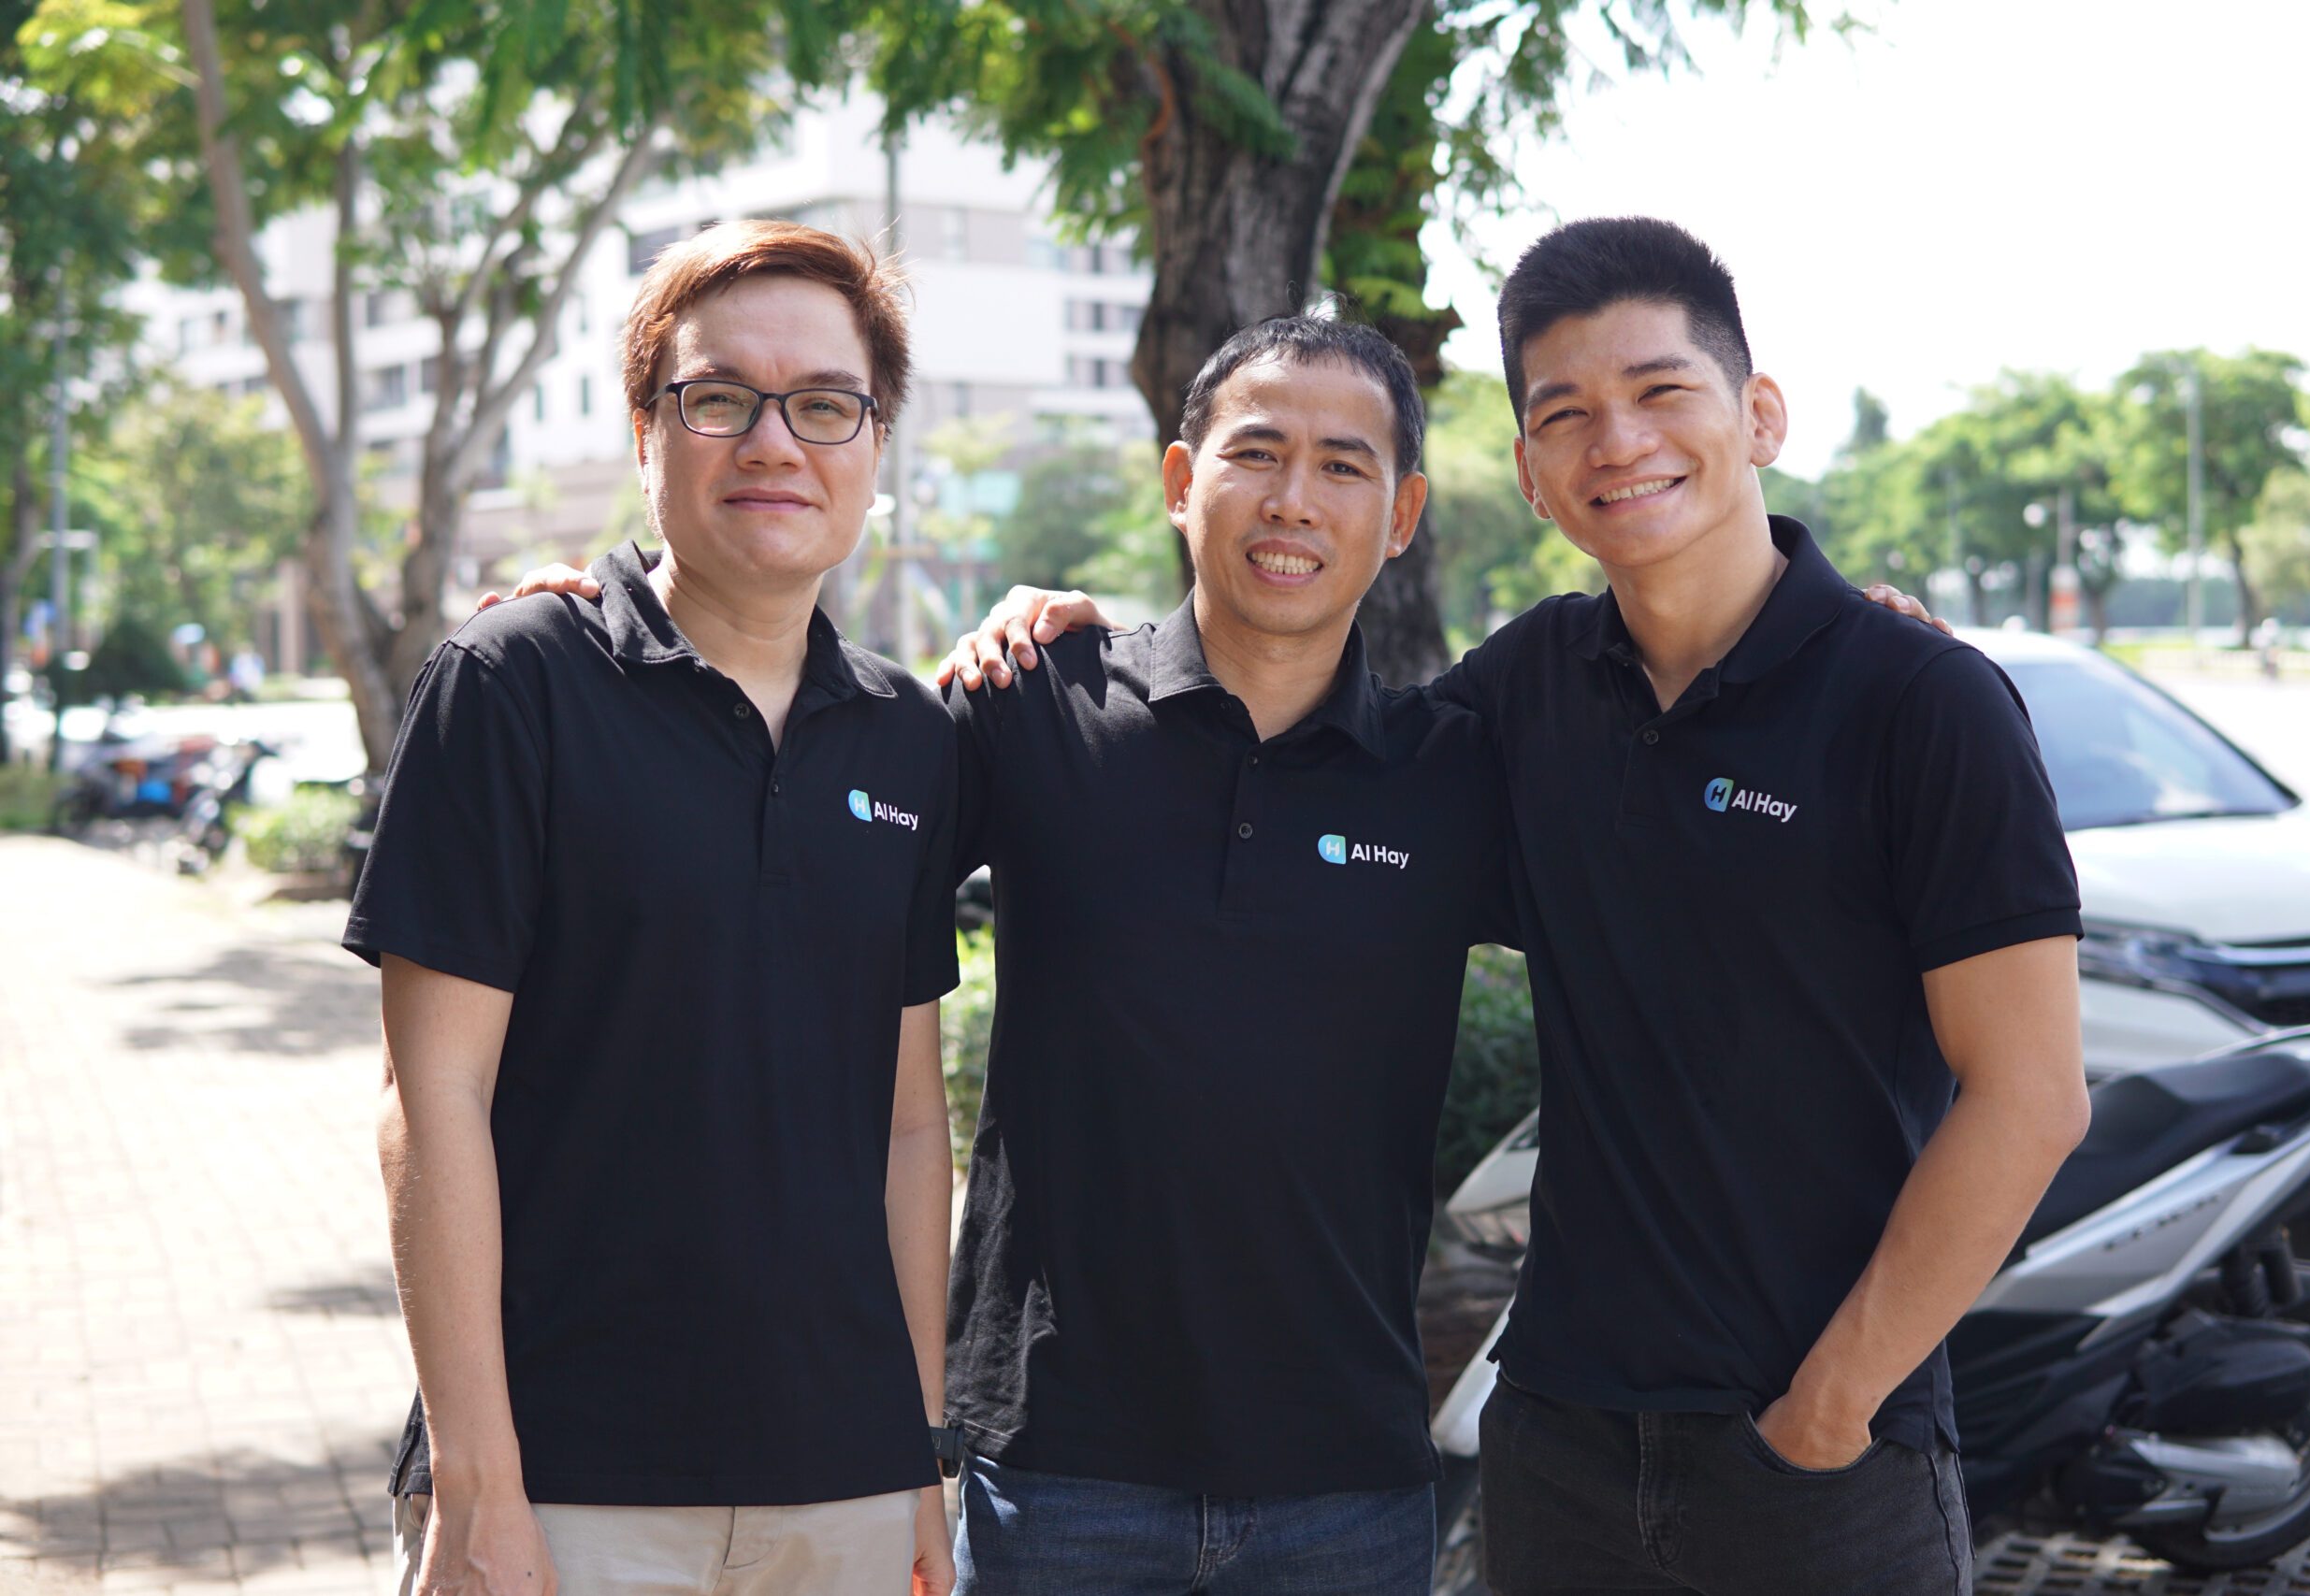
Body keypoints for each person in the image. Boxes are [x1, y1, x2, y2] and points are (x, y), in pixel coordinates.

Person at [946, 217, 2087, 1596]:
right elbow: (1278, 738)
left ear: (1760, 416)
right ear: (1534, 476)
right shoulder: (1525, 695)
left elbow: (2033, 1097)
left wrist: (1829, 1411)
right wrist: (1065, 640)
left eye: (1661, 391)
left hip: (1819, 1455)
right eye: (1565, 415)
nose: (1619, 441)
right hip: (1558, 1444)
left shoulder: (1921, 701)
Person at [347, 221, 961, 1596]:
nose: (774, 442)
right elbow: (428, 1099)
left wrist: (919, 1451)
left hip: (848, 1491)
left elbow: (910, 1124)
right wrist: (478, 1483)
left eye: (826, 405)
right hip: (566, 1489)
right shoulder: (513, 685)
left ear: (876, 446)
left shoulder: (912, 740)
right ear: (646, 433)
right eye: (718, 398)